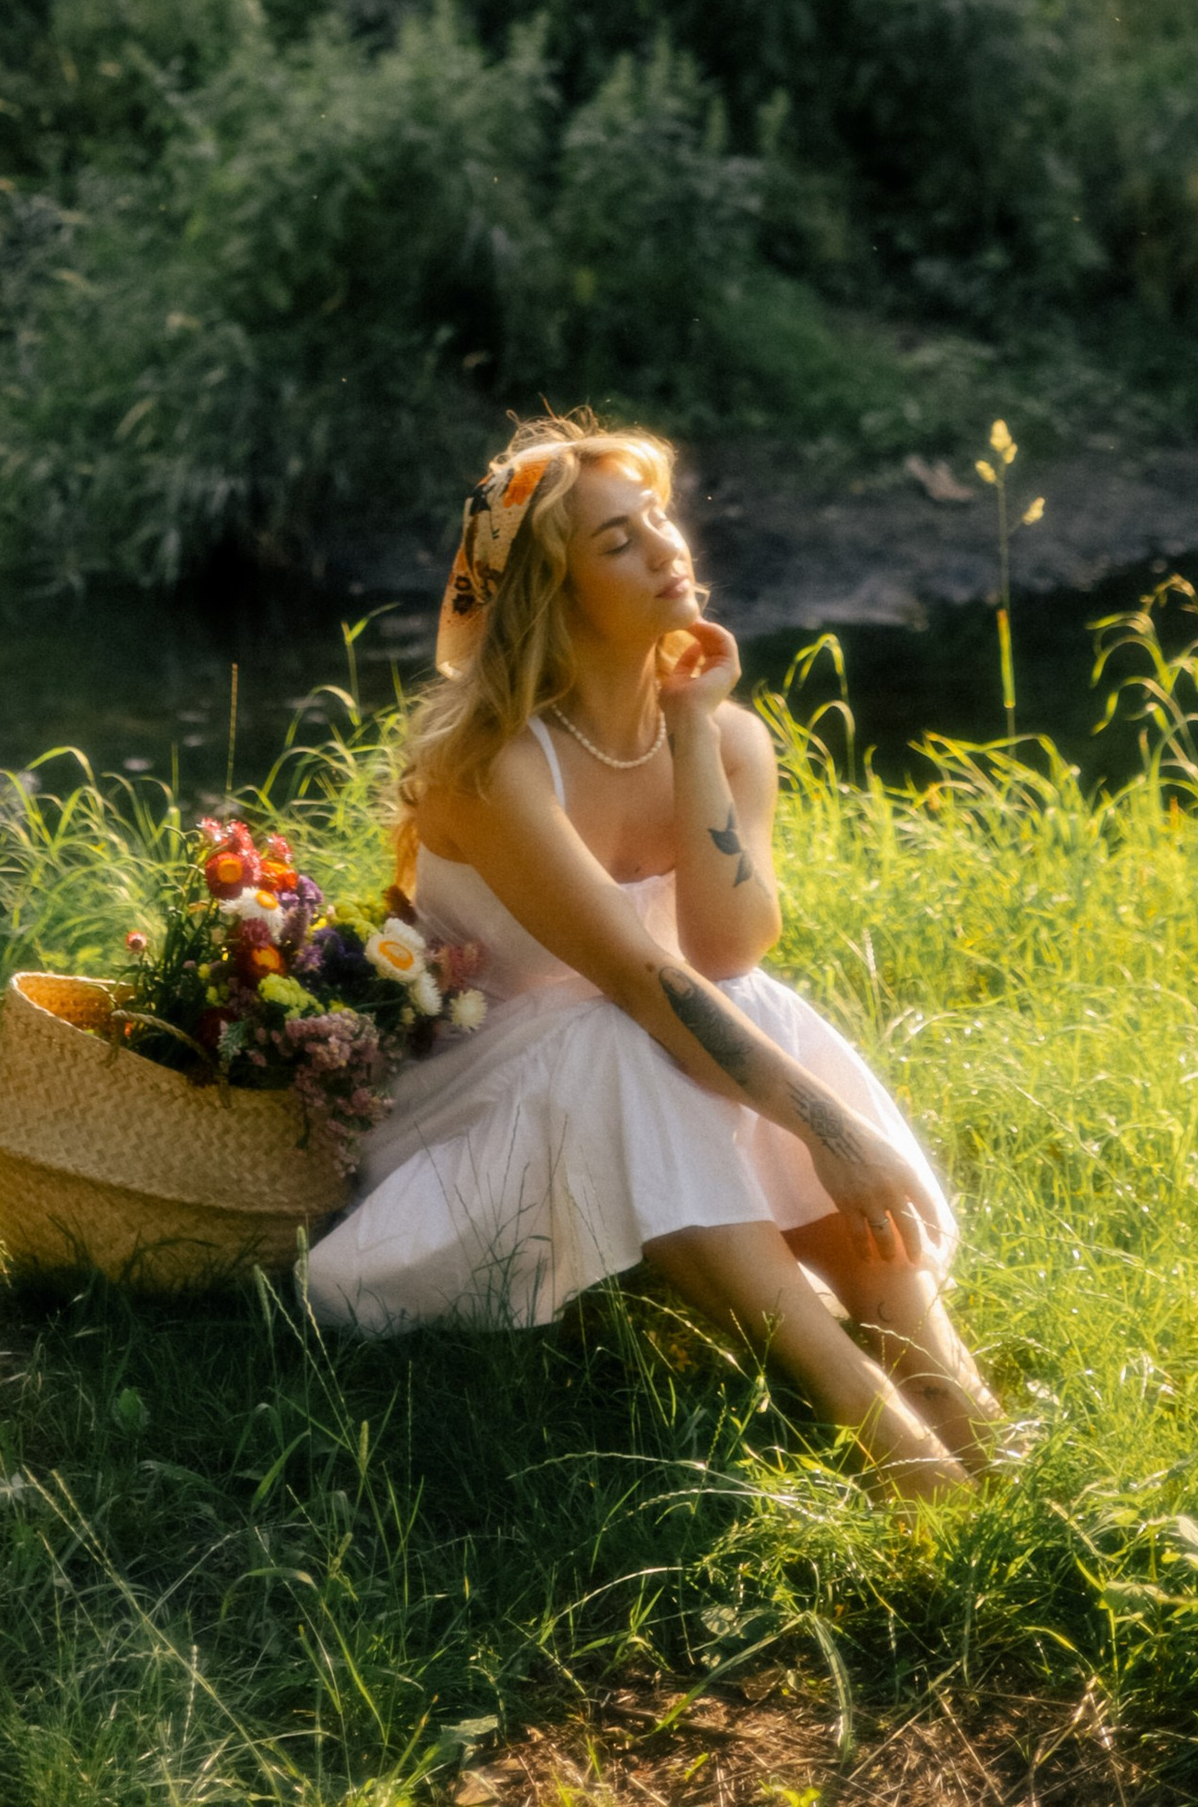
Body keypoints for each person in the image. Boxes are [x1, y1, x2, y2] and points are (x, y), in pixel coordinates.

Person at [303, 418, 1000, 1498]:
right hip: (482, 1105)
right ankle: (882, 1430)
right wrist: (824, 1124)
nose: (669, 548)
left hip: (658, 1060)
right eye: (618, 542)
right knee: (611, 1035)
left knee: (744, 1000)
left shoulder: (721, 735)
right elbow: (638, 977)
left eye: (659, 519)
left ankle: (944, 1375)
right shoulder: (491, 766)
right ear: (551, 590)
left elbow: (723, 948)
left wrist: (688, 733)